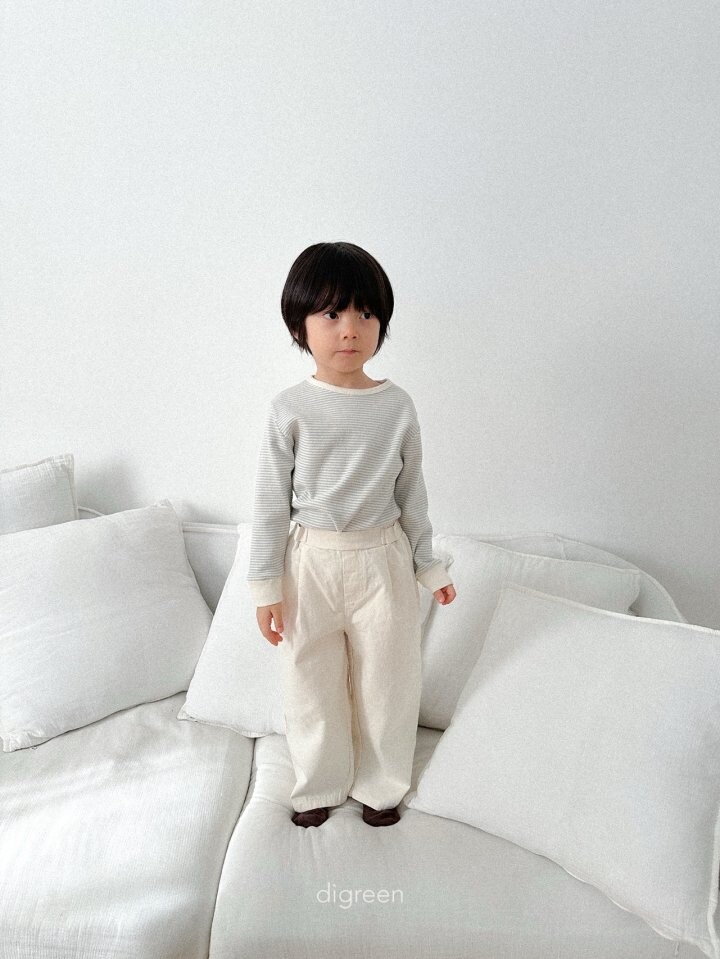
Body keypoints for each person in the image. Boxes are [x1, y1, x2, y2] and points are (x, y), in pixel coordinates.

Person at [246, 241, 457, 829]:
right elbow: (269, 503)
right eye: (332, 313)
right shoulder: (289, 408)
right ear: (300, 325)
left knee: (388, 681)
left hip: (382, 558)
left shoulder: (397, 407)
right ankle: (317, 786)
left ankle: (381, 788)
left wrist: (428, 566)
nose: (350, 329)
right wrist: (265, 588)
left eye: (366, 313)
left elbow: (411, 492)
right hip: (310, 561)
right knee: (309, 680)